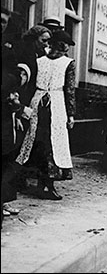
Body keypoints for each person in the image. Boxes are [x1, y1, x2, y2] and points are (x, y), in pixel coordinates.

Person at [15, 30, 77, 200]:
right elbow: (70, 90)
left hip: (48, 104)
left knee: (45, 142)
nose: (65, 48)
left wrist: (70, 113)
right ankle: (44, 184)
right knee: (42, 143)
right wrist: (71, 114)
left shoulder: (46, 61)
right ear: (59, 44)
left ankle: (44, 184)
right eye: (64, 44)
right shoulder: (61, 62)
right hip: (47, 105)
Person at [1, 6, 33, 226]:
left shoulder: (7, 49)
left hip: (3, 110)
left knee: (6, 150)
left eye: (3, 21)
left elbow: (14, 76)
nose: (0, 24)